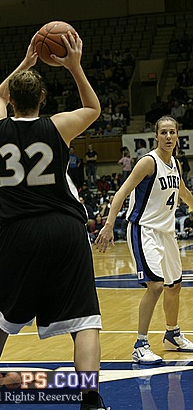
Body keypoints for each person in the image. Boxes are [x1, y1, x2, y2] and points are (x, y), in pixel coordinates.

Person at [0, 31, 108, 410]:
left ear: (14, 100)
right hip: (65, 228)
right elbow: (94, 108)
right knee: (85, 318)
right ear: (43, 100)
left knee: (0, 319)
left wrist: (25, 63)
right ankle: (90, 400)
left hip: (18, 230)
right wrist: (74, 66)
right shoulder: (58, 126)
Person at [96, 116, 193, 365]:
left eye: (172, 132)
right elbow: (122, 192)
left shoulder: (176, 164)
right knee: (156, 286)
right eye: (164, 133)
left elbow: (182, 192)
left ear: (177, 135)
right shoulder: (148, 162)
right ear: (156, 136)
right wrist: (108, 225)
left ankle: (172, 334)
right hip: (144, 230)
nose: (169, 137)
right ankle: (140, 344)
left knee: (175, 286)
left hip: (166, 232)